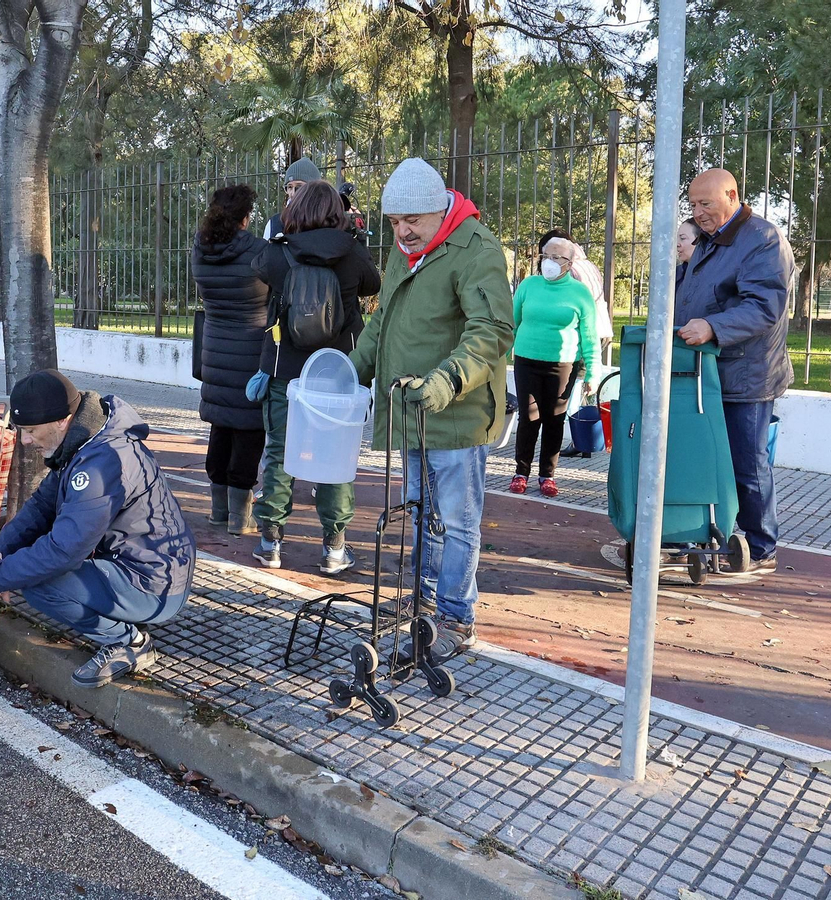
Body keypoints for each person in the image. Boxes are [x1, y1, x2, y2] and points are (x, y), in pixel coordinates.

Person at [348, 158, 513, 663]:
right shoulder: (406, 250)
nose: (402, 232)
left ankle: (456, 616)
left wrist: (448, 379)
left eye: (411, 221)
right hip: (411, 411)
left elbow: (492, 331)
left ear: (438, 210)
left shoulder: (476, 247)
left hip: (455, 412)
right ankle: (423, 598)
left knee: (458, 521)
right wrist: (351, 366)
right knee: (421, 514)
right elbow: (383, 321)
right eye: (394, 223)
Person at [0, 370, 195, 689]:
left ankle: (131, 644)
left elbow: (65, 550)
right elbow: (41, 506)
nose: (25, 441)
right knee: (29, 567)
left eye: (29, 430)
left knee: (39, 582)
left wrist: (2, 576)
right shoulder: (85, 438)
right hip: (144, 565)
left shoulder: (99, 464)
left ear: (60, 420)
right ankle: (120, 614)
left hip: (154, 585)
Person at [249, 182, 381, 574]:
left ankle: (271, 543)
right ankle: (334, 549)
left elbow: (258, 269)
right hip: (338, 371)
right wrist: (353, 237)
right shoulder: (352, 251)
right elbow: (373, 285)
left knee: (278, 453)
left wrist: (280, 231)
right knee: (336, 458)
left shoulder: (278, 251)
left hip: (283, 371)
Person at [676, 168, 795, 574]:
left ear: (731, 195)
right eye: (692, 204)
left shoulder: (762, 239)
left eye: (704, 203)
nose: (697, 212)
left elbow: (764, 306)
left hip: (747, 374)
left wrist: (712, 326)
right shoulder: (709, 242)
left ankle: (761, 548)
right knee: (707, 459)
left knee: (747, 462)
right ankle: (716, 535)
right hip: (704, 372)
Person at [190, 184, 269, 536]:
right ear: (246, 217)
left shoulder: (200, 248)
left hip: (215, 348)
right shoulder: (259, 251)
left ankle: (218, 511)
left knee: (220, 426)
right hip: (251, 351)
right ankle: (241, 517)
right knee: (249, 431)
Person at [510, 236, 598, 498]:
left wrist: (592, 371)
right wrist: (500, 355)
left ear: (569, 263)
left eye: (556, 257)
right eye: (545, 256)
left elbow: (590, 336)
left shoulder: (580, 293)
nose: (549, 262)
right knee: (528, 417)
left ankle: (547, 475)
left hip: (563, 365)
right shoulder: (528, 285)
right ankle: (521, 472)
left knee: (554, 419)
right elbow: (512, 322)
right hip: (526, 359)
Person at [262, 158, 323, 241]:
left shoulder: (326, 221)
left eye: (299, 186)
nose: (293, 193)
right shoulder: (274, 224)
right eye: (289, 187)